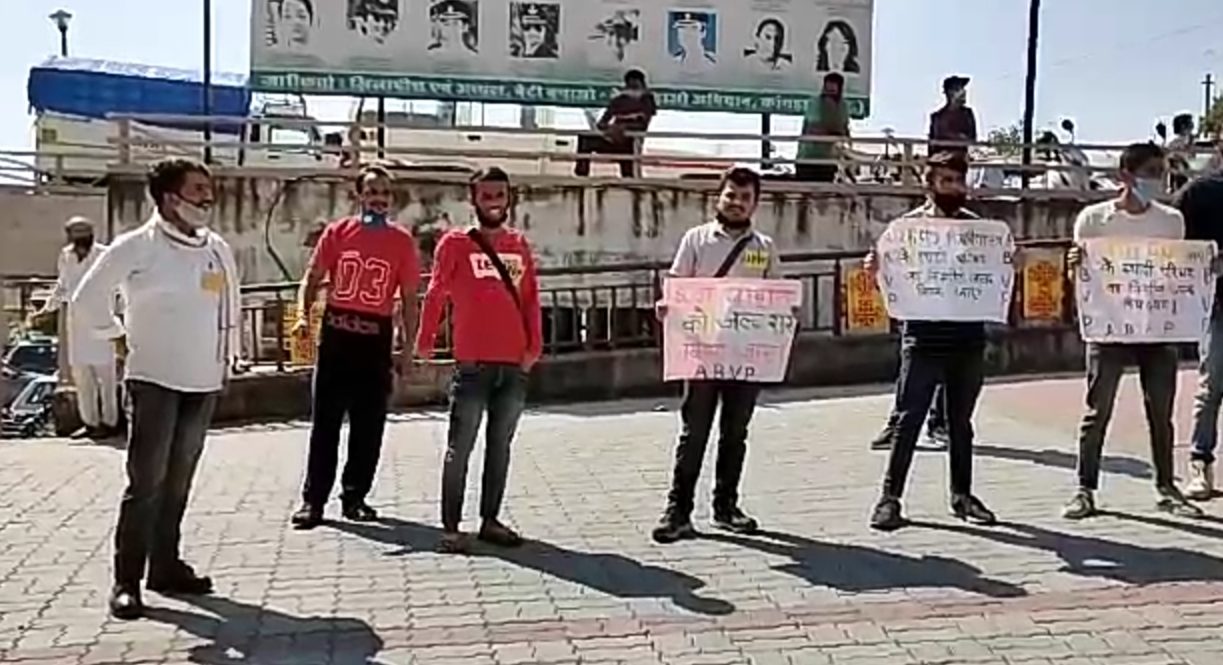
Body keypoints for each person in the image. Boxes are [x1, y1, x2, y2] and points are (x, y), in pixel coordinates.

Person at [71, 158, 240, 620]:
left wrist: (230, 358)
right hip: (154, 381)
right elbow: (86, 298)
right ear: (169, 198)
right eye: (198, 189)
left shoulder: (216, 247)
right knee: (146, 482)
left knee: (179, 480)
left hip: (203, 381)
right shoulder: (136, 246)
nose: (208, 197)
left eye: (209, 188)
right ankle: (126, 581)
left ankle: (165, 567)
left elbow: (231, 304)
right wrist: (116, 334)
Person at [1062, 142, 1204, 520]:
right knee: (1098, 410)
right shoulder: (1092, 219)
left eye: (1162, 173)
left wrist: (1204, 269)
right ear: (1126, 176)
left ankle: (1166, 487)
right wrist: (1073, 263)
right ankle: (1084, 489)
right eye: (1153, 173)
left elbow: (1178, 271)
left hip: (1157, 329)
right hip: (1108, 329)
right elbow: (1080, 278)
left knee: (1161, 411)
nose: (1160, 180)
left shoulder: (1171, 221)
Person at [865, 151, 997, 531]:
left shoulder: (979, 230)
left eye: (959, 180)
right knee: (908, 419)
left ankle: (962, 495)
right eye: (946, 181)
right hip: (922, 337)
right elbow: (889, 278)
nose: (954, 188)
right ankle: (889, 499)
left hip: (968, 338)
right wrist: (875, 270)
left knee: (961, 422)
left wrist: (1010, 263)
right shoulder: (906, 229)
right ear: (930, 184)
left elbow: (994, 272)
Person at [651, 167, 783, 544]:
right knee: (694, 434)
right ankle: (677, 511)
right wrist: (667, 304)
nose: (737, 203)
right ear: (718, 197)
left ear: (755, 203)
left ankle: (726, 507)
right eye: (731, 195)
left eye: (745, 197)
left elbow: (777, 293)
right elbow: (676, 285)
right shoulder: (696, 240)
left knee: (735, 434)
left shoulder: (765, 247)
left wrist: (786, 313)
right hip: (702, 354)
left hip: (747, 357)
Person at [415, 167, 543, 554]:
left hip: (513, 364)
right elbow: (436, 293)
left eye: (500, 194)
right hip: (472, 365)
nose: (493, 201)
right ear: (474, 198)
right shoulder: (454, 244)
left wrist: (533, 348)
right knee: (461, 447)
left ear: (509, 198)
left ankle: (490, 520)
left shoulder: (518, 244)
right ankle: (452, 527)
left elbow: (530, 299)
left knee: (500, 446)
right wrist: (425, 340)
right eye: (486, 194)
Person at [290, 165, 421, 530]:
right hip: (336, 336)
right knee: (325, 425)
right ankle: (312, 502)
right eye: (372, 191)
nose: (378, 198)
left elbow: (410, 298)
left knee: (369, 426)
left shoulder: (401, 242)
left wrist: (407, 349)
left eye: (385, 193)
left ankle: (355, 497)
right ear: (359, 196)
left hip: (374, 340)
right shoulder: (338, 233)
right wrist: (303, 315)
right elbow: (312, 279)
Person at [36, 216, 120, 439]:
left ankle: (110, 423)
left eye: (84, 231)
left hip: (102, 323)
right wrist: (47, 307)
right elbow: (62, 285)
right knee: (83, 380)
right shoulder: (66, 256)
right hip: (77, 325)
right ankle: (90, 423)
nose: (81, 237)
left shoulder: (104, 255)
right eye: (76, 232)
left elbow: (118, 286)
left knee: (106, 381)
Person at [1175, 159, 1223, 499]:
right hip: (1217, 304)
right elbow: (1172, 241)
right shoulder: (1199, 193)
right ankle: (1199, 463)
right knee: (1212, 386)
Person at [574, 69, 657, 179]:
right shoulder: (618, 100)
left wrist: (624, 126)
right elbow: (602, 123)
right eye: (630, 85)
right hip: (613, 138)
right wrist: (610, 128)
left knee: (628, 176)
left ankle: (630, 176)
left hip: (631, 142)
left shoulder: (647, 100)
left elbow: (643, 124)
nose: (633, 89)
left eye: (636, 85)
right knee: (585, 140)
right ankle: (581, 176)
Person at [795, 73, 850, 183]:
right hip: (807, 157)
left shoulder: (843, 106)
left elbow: (844, 131)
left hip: (828, 159)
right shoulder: (814, 103)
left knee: (824, 194)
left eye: (833, 89)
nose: (829, 91)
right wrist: (831, 132)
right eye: (827, 88)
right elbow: (812, 129)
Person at [928, 76, 978, 158]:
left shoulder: (967, 114)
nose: (964, 92)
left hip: (960, 159)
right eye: (958, 89)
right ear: (950, 92)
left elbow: (972, 138)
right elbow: (932, 144)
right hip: (939, 159)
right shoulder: (937, 117)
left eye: (963, 88)